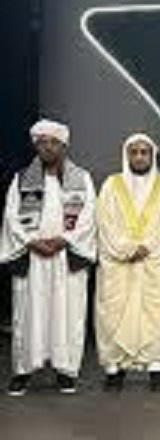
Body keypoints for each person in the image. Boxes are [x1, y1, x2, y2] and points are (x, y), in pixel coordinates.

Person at [1, 119, 96, 396]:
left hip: (66, 257)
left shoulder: (82, 179)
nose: (48, 147)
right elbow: (11, 216)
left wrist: (64, 240)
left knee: (68, 314)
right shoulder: (21, 179)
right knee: (28, 314)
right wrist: (31, 241)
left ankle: (65, 371)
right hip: (33, 258)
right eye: (42, 142)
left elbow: (89, 216)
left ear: (64, 146)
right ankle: (23, 371)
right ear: (36, 146)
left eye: (54, 142)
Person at [95, 133, 160, 392]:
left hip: (155, 260)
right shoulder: (111, 185)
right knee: (114, 314)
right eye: (134, 152)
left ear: (152, 156)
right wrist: (126, 249)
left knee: (155, 313)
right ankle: (114, 369)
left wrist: (147, 248)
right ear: (126, 155)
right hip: (119, 263)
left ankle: (156, 366)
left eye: (145, 152)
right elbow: (104, 223)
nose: (139, 157)